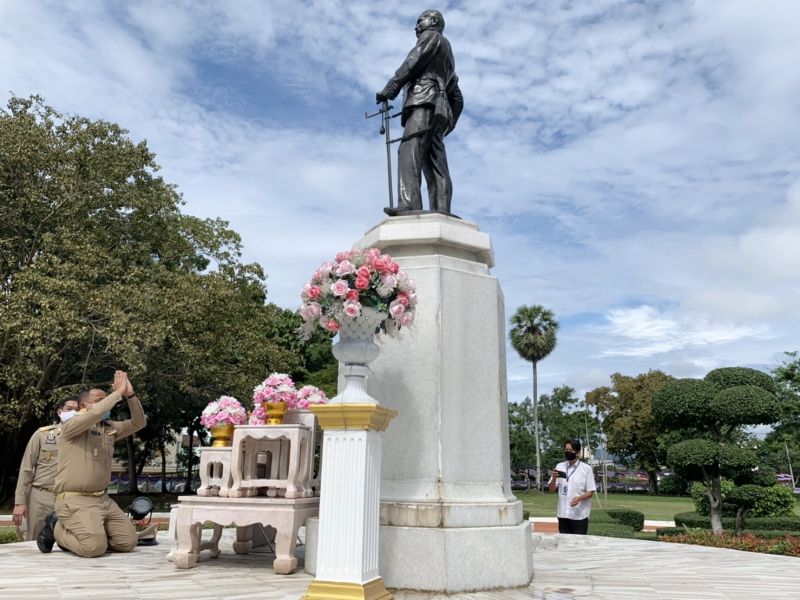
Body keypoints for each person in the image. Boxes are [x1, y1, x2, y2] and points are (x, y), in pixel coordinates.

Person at [37, 371, 147, 556]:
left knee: (127, 542)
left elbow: (139, 422)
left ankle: (92, 533)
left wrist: (130, 396)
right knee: (93, 548)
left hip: (103, 500)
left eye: (107, 399)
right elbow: (95, 413)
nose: (106, 403)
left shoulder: (108, 429)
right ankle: (56, 526)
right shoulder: (71, 426)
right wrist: (118, 393)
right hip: (75, 500)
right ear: (83, 406)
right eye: (98, 399)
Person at [376, 9, 464, 216]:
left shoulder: (431, 37)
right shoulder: (448, 59)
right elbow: (457, 98)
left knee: (409, 149)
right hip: (439, 111)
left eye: (419, 21)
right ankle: (441, 210)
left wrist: (390, 89)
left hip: (423, 101)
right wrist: (449, 122)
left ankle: (409, 205)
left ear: (433, 21)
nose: (416, 27)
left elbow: (412, 62)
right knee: (434, 160)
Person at [12, 396, 80, 541]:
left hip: (72, 498)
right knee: (36, 541)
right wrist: (20, 502)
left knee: (71, 541)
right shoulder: (43, 435)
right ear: (59, 412)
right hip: (42, 496)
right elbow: (26, 469)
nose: (73, 412)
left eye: (77, 410)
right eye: (69, 409)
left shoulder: (86, 437)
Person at [549, 439, 596, 534]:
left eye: (570, 450)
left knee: (578, 546)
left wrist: (579, 498)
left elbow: (591, 491)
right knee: (564, 543)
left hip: (579, 516)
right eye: (566, 450)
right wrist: (554, 478)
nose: (567, 452)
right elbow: (551, 489)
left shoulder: (586, 469)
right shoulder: (559, 466)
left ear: (578, 453)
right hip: (563, 514)